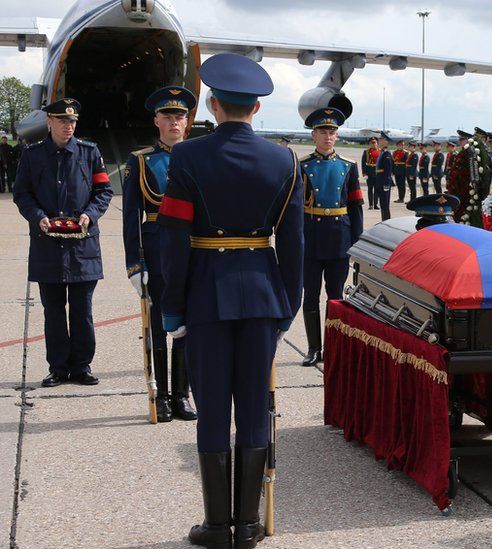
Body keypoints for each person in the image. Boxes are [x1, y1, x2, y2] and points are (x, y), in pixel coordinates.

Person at [156, 53, 303, 547]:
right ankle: (249, 525)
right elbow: (294, 244)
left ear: (213, 106)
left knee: (214, 408)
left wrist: (171, 305)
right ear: (255, 110)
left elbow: (174, 238)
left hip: (206, 296)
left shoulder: (187, 157)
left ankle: (217, 526)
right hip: (263, 296)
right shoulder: (283, 159)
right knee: (256, 409)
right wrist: (287, 305)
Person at [13, 98, 112, 387]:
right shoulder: (32, 156)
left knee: (82, 310)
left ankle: (81, 366)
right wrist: (37, 216)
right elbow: (22, 194)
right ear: (50, 123)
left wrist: (90, 215)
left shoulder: (90, 152)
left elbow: (103, 191)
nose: (68, 126)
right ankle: (58, 367)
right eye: (62, 121)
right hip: (47, 244)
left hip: (83, 246)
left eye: (72, 122)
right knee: (53, 310)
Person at [121, 86, 199, 421]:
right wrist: (134, 264)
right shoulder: (140, 161)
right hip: (156, 251)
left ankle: (182, 395)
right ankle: (162, 394)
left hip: (194, 251)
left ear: (187, 121)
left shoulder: (199, 158)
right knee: (156, 326)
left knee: (187, 324)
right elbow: (130, 219)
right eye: (167, 115)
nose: (173, 121)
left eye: (179, 116)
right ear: (156, 120)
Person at [298, 105, 363, 367]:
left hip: (339, 238)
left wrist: (358, 245)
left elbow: (356, 206)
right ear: (313, 135)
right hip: (311, 238)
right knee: (311, 296)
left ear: (337, 135)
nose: (328, 136)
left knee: (336, 297)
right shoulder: (302, 166)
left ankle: (335, 348)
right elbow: (294, 208)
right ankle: (314, 348)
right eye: (323, 131)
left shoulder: (348, 167)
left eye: (332, 131)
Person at [374, 132, 395, 221]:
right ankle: (384, 220)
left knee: (385, 204)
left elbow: (388, 170)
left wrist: (386, 183)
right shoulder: (382, 152)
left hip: (384, 181)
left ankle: (386, 221)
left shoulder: (387, 154)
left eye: (381, 139)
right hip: (380, 179)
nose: (379, 141)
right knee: (382, 203)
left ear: (386, 141)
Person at [361, 136, 380, 210]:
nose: (373, 144)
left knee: (377, 189)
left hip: (377, 172)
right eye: (372, 143)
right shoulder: (366, 152)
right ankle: (371, 204)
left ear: (377, 143)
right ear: (370, 144)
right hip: (369, 171)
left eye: (374, 142)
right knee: (370, 189)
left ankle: (375, 204)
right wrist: (364, 173)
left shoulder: (380, 151)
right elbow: (363, 163)